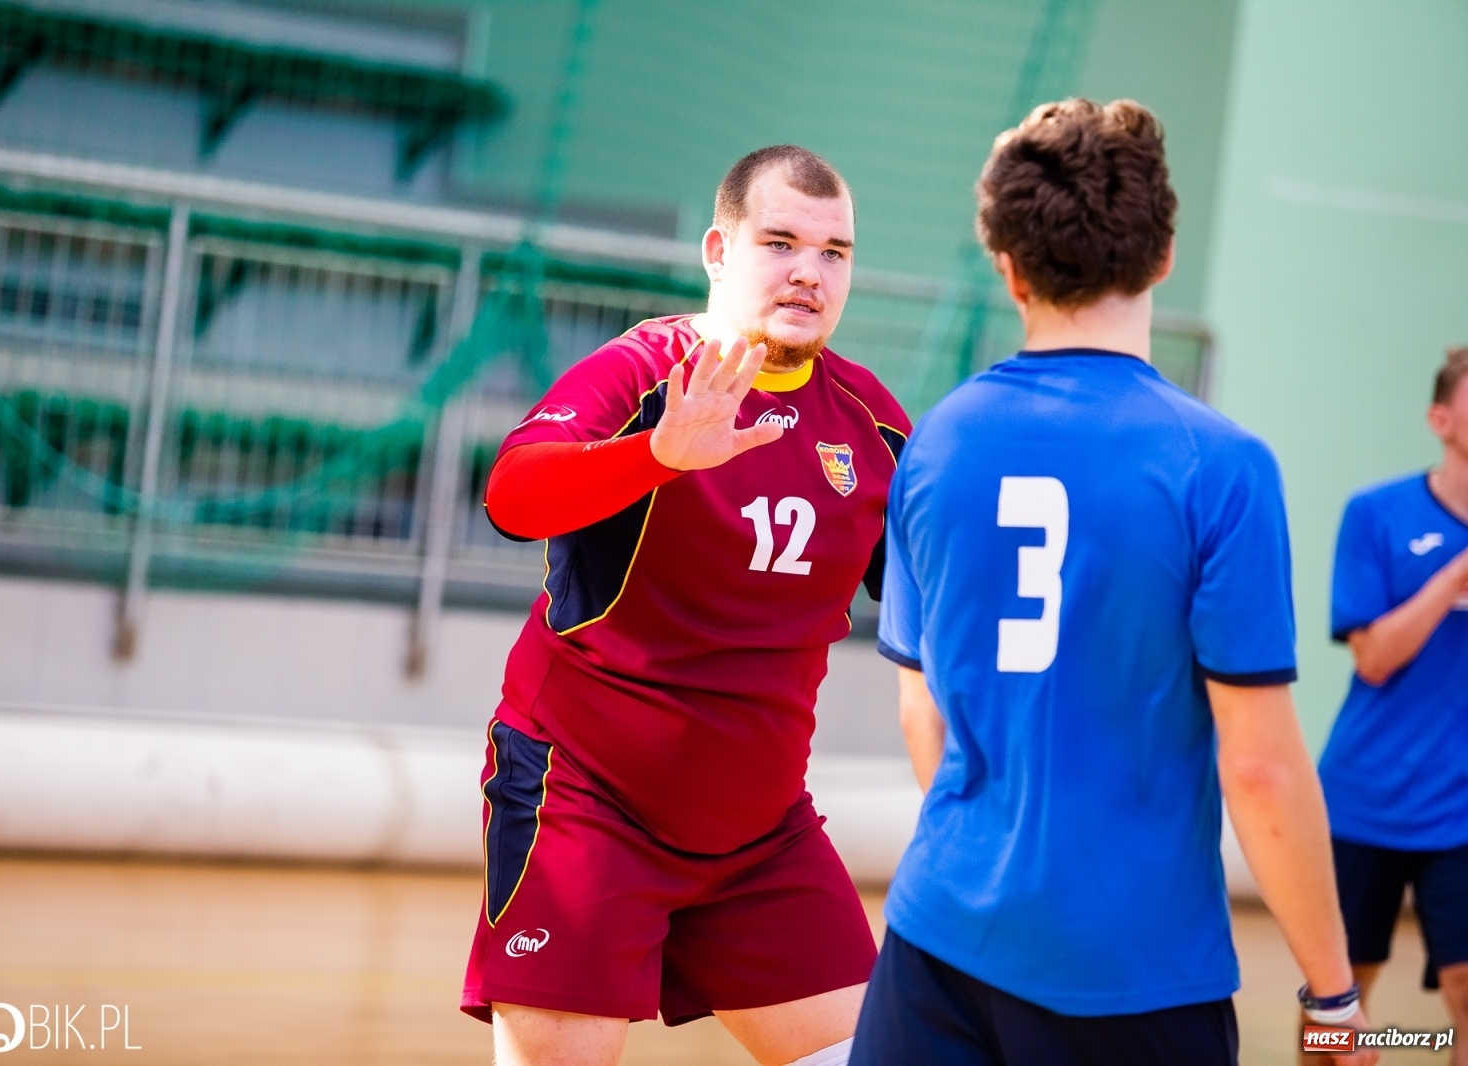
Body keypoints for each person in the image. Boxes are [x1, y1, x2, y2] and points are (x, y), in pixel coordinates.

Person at [852, 99, 1375, 1066]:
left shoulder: (936, 444)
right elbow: (1258, 764)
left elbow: (923, 716)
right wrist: (1337, 999)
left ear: (1006, 267)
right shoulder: (1219, 465)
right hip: (1133, 975)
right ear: (1163, 253)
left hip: (938, 947)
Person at [460, 145, 911, 1066]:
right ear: (718, 249)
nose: (808, 273)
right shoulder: (641, 374)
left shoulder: (870, 421)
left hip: (759, 833)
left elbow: (940, 613)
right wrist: (659, 456)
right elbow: (512, 494)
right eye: (780, 242)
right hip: (585, 801)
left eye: (834, 253)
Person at [1318, 346, 1468, 1064]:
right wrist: (1455, 577)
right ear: (1441, 418)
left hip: (1462, 812)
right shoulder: (1377, 513)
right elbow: (1374, 657)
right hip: (1365, 800)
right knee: (1337, 1003)